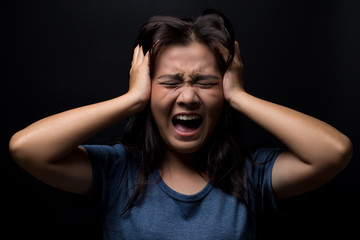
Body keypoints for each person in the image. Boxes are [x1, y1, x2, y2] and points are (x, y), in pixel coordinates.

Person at [9, 9, 352, 239]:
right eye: (171, 82)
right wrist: (131, 100)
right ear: (147, 89)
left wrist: (239, 96)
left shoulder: (252, 175)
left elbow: (333, 152)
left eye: (205, 83)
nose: (188, 98)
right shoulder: (117, 171)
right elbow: (26, 149)